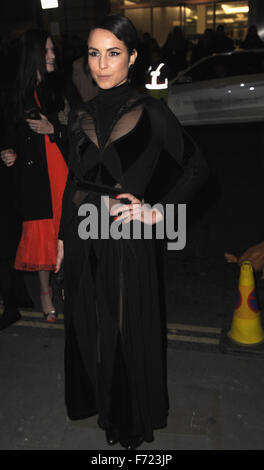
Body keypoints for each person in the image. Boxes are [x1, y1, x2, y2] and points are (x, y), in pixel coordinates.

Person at [55, 14, 208, 449]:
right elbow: (73, 183)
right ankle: (99, 402)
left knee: (124, 328)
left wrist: (159, 213)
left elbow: (198, 168)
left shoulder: (152, 111)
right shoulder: (78, 115)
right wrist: (64, 238)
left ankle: (125, 420)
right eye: (94, 54)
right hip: (84, 236)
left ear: (132, 57)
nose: (102, 65)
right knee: (89, 325)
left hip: (127, 238)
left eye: (114, 54)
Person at [10, 29, 80, 322]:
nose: (52, 56)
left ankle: (69, 288)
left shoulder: (60, 88)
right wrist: (9, 151)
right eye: (47, 51)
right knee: (41, 234)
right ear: (35, 55)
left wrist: (56, 129)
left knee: (66, 230)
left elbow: (80, 128)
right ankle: (45, 294)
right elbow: (12, 132)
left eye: (53, 50)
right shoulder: (17, 93)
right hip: (35, 176)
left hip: (62, 168)